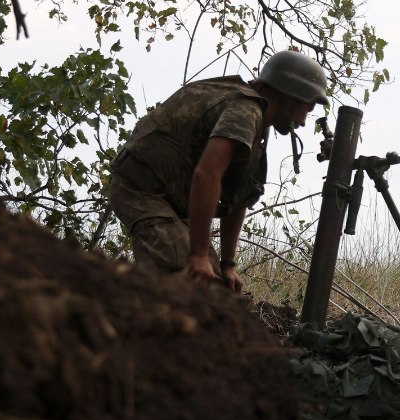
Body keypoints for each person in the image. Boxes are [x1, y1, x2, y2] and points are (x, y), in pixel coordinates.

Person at [108, 50, 328, 291]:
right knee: (191, 282)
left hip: (171, 200)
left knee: (221, 293)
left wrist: (227, 263)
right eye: (307, 108)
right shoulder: (246, 112)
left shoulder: (256, 118)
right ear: (290, 96)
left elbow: (239, 196)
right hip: (141, 190)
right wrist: (199, 255)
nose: (305, 121)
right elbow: (207, 174)